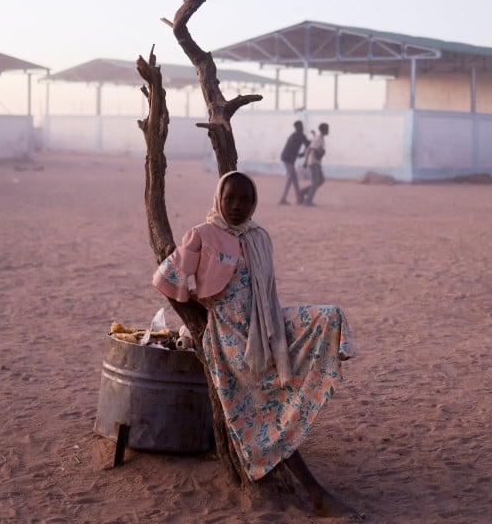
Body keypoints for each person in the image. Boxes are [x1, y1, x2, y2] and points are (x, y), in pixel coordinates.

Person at [152, 171, 354, 516]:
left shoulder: (258, 236)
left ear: (253, 203)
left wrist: (267, 322)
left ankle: (312, 485)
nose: (236, 206)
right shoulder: (201, 235)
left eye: (245, 200)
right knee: (267, 407)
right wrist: (198, 313)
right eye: (230, 198)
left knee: (329, 316)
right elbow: (165, 279)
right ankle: (315, 493)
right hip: (230, 335)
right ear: (219, 197)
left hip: (266, 322)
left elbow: (267, 290)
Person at [278, 120, 310, 205]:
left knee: (291, 178)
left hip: (286, 158)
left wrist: (302, 154)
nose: (302, 127)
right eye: (301, 126)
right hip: (288, 159)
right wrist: (303, 154)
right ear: (300, 127)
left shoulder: (294, 135)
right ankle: (294, 199)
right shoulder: (300, 135)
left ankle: (286, 198)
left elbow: (302, 145)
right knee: (294, 179)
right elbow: (308, 144)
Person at [298, 122, 329, 206]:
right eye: (327, 129)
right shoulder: (318, 139)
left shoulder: (321, 138)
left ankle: (302, 192)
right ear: (323, 130)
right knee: (315, 182)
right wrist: (305, 162)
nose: (328, 130)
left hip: (317, 162)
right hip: (313, 162)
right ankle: (308, 201)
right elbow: (309, 149)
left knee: (321, 180)